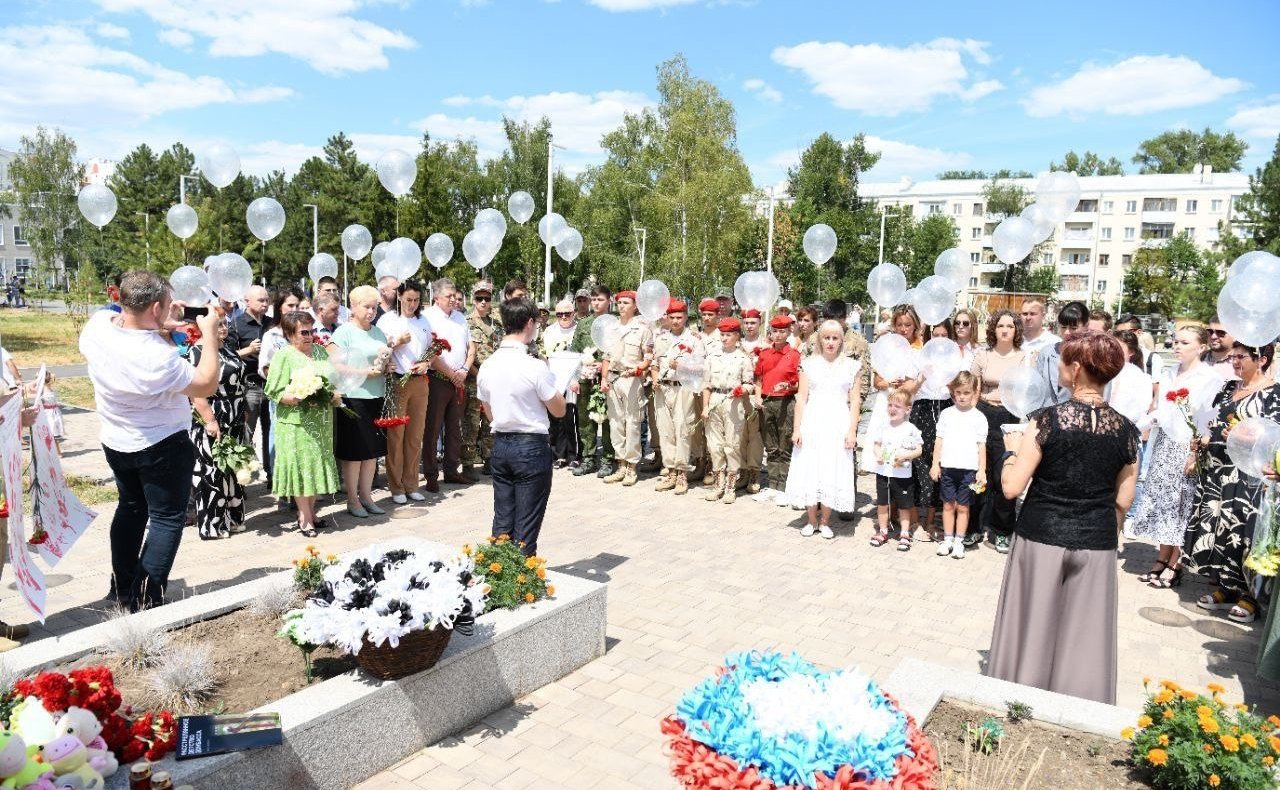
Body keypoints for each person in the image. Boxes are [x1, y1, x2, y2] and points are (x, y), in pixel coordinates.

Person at [988, 331, 1138, 705]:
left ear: (1075, 368)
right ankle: (1078, 704)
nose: (1057, 366)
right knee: (1084, 635)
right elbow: (1124, 499)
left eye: (1062, 360)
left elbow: (1011, 488)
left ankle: (1021, 697)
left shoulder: (1046, 421)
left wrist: (1007, 455)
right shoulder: (1127, 430)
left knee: (1034, 623)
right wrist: (1102, 526)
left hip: (1042, 535)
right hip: (1097, 541)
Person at [80, 271, 222, 611]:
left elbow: (121, 321)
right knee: (166, 518)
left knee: (129, 510)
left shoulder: (97, 327)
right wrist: (211, 336)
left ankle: (122, 587)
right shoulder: (156, 359)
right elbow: (205, 384)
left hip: (116, 441)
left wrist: (165, 324)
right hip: (161, 445)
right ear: (157, 306)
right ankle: (145, 599)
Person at [1183, 342, 1280, 622]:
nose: (1235, 361)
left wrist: (1242, 436)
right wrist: (1200, 441)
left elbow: (1273, 438)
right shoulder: (1228, 387)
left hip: (1249, 475)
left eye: (1241, 357)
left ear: (1261, 359)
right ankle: (1226, 587)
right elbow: (1215, 423)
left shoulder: (1274, 393)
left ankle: (1250, 596)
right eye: (1233, 356)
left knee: (1244, 530)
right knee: (1219, 527)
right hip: (1217, 469)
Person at [1126, 326, 1220, 588]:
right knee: (1164, 502)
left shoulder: (1209, 378)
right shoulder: (1169, 372)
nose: (1177, 346)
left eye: (1184, 342)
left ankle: (1175, 562)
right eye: (1175, 341)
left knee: (1182, 504)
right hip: (1165, 443)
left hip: (1189, 447)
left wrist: (1194, 452)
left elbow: (1206, 420)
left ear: (1201, 347)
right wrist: (1145, 421)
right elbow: (1162, 411)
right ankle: (1161, 556)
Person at [478, 297, 565, 556]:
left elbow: (488, 409)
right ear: (529, 323)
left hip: (502, 444)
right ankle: (521, 584)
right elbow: (558, 410)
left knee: (503, 521)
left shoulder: (488, 365)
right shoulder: (534, 366)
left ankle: (498, 575)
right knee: (526, 528)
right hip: (530, 446)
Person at [265, 312, 341, 537]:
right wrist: (298, 395)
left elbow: (330, 380)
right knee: (301, 468)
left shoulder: (319, 351)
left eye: (312, 331)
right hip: (295, 423)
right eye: (304, 333)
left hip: (320, 421)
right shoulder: (284, 356)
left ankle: (312, 512)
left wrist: (331, 393)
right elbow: (273, 391)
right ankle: (304, 517)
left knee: (314, 467)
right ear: (289, 334)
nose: (310, 337)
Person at [784, 320, 861, 537]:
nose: (830, 342)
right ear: (820, 339)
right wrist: (797, 429)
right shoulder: (809, 364)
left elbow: (855, 401)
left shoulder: (852, 366)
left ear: (841, 340)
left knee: (832, 468)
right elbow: (801, 398)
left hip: (838, 422)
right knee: (811, 467)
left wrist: (852, 431)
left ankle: (826, 521)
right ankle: (811, 520)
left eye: (835, 338)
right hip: (813, 421)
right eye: (826, 337)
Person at [330, 286, 398, 517]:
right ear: (353, 307)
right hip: (353, 398)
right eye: (366, 307)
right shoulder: (343, 333)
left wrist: (388, 367)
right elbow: (335, 365)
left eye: (375, 307)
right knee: (354, 453)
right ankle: (352, 499)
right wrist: (362, 372)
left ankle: (367, 496)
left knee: (371, 452)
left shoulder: (378, 333)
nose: (371, 311)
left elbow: (382, 360)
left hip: (376, 396)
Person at [969, 309, 1028, 553]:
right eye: (1001, 325)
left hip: (1009, 417)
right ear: (994, 328)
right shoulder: (983, 355)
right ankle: (973, 527)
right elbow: (973, 388)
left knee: (1003, 474)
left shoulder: (1024, 357)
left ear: (1016, 331)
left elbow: (1026, 392)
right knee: (977, 472)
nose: (1005, 329)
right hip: (983, 413)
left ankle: (1002, 531)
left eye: (1010, 326)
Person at [188, 316, 247, 539]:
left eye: (225, 323)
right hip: (212, 416)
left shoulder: (229, 348)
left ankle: (233, 519)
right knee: (212, 471)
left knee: (232, 468)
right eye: (218, 324)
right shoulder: (196, 353)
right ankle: (213, 525)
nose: (224, 327)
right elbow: (195, 391)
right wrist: (209, 420)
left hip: (235, 416)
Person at [375, 280, 434, 503]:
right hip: (397, 380)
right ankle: (396, 486)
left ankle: (411, 483)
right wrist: (395, 343)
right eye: (408, 299)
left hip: (420, 381)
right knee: (396, 435)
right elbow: (378, 350)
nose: (412, 304)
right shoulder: (388, 320)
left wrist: (427, 362)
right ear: (399, 297)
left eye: (417, 300)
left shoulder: (423, 320)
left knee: (415, 435)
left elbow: (431, 348)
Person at [423, 278, 473, 492]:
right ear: (436, 297)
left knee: (455, 429)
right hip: (438, 380)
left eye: (455, 295)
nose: (454, 300)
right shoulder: (428, 318)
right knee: (433, 429)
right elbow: (430, 353)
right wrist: (452, 374)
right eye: (449, 296)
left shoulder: (461, 317)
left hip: (459, 380)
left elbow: (471, 347)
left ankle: (452, 470)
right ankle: (431, 474)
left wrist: (463, 370)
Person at [930, 372, 987, 559]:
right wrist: (935, 464)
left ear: (974, 393)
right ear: (953, 392)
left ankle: (959, 541)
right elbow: (939, 440)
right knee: (947, 505)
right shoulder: (946, 414)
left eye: (966, 392)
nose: (962, 396)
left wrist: (981, 470)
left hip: (968, 471)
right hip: (948, 468)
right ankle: (947, 539)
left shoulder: (979, 417)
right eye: (958, 392)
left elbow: (981, 446)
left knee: (963, 507)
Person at [600, 290, 653, 486]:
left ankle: (631, 465)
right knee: (615, 422)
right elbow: (605, 357)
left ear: (635, 306)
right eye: (619, 302)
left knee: (632, 422)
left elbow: (648, 359)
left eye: (626, 303)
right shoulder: (611, 328)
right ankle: (620, 463)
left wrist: (638, 369)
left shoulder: (642, 329)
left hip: (632, 379)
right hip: (613, 379)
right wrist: (604, 379)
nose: (621, 306)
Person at [651, 300, 702, 494]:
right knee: (665, 430)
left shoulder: (694, 340)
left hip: (684, 389)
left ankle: (682, 473)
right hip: (663, 389)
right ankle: (670, 470)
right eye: (671, 317)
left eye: (679, 317)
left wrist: (681, 367)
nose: (675, 321)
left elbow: (700, 369)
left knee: (682, 429)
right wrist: (655, 379)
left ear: (686, 317)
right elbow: (655, 364)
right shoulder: (661, 338)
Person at [702, 318, 753, 502]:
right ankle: (718, 485)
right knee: (714, 445)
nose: (724, 338)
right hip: (715, 398)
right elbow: (706, 384)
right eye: (722, 335)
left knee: (732, 444)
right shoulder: (712, 356)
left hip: (733, 402)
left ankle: (731, 487)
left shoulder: (743, 359)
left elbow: (749, 384)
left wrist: (742, 390)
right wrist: (705, 407)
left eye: (728, 335)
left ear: (737, 336)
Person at [867, 389, 923, 550]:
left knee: (904, 506)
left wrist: (907, 455)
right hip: (884, 473)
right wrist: (878, 455)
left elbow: (919, 449)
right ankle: (883, 530)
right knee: (883, 504)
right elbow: (876, 445)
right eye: (890, 405)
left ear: (907, 409)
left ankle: (904, 533)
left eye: (897, 406)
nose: (892, 409)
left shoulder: (911, 428)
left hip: (903, 474)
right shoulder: (883, 426)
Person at [228, 285, 272, 486]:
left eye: (266, 300)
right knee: (247, 431)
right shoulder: (236, 324)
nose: (265, 304)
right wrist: (248, 350)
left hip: (272, 383)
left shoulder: (272, 324)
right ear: (247, 301)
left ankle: (272, 474)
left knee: (272, 431)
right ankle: (242, 478)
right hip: (250, 385)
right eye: (260, 300)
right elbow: (227, 356)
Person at [570, 286, 615, 478]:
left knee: (606, 420)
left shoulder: (615, 324)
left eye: (600, 300)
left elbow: (620, 352)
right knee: (585, 419)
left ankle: (607, 459)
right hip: (585, 378)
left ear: (609, 301)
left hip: (607, 379)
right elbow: (575, 352)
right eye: (593, 299)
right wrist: (575, 377)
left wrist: (603, 366)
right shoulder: (583, 324)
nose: (596, 303)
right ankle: (588, 458)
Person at [754, 315, 800, 502]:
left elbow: (800, 384)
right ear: (770, 332)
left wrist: (788, 387)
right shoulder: (764, 354)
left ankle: (784, 486)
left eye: (782, 331)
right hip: (766, 402)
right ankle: (772, 485)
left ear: (789, 332)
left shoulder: (794, 355)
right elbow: (758, 379)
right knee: (770, 445)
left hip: (786, 403)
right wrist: (757, 397)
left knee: (785, 445)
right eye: (775, 331)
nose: (778, 335)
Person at [464, 280, 502, 478]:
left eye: (487, 298)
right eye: (479, 298)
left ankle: (489, 460)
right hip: (473, 379)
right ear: (473, 299)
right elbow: (464, 354)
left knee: (490, 421)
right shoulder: (466, 323)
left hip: (493, 382)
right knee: (471, 423)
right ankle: (468, 464)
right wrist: (479, 375)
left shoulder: (496, 323)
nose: (483, 302)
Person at [541, 298, 580, 468]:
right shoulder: (549, 331)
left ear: (574, 313)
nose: (563, 316)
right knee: (555, 419)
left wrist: (576, 378)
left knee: (571, 418)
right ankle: (559, 454)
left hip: (573, 380)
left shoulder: (579, 331)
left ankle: (573, 454)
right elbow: (544, 356)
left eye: (567, 313)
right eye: (559, 314)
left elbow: (583, 356)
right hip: (554, 380)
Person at [1031, 301, 1088, 407]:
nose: (1067, 332)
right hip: (1047, 416)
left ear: (1086, 326)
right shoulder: (1047, 353)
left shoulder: (1091, 356)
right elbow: (1036, 389)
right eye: (1063, 327)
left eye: (1073, 328)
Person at [1107, 330, 1155, 425]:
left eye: (1118, 347)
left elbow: (1141, 410)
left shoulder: (1141, 378)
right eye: (1110, 346)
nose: (1112, 350)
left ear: (1131, 351)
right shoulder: (1102, 372)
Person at [1203, 316, 1240, 381]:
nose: (1213, 336)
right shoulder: (1196, 359)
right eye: (1210, 331)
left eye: (1220, 333)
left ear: (1235, 336)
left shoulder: (1245, 365)